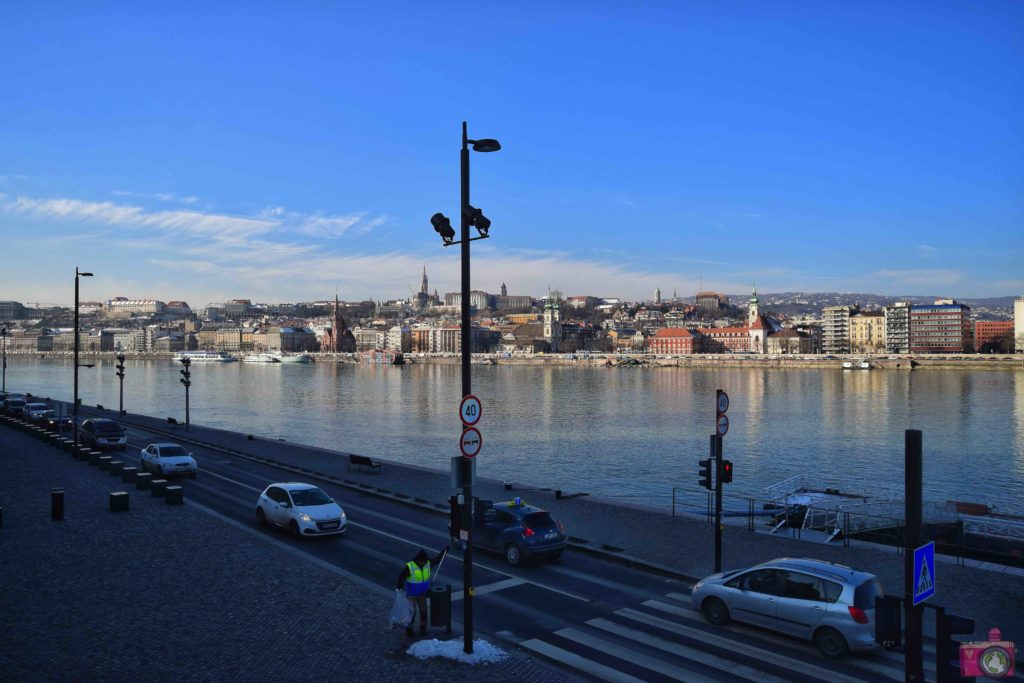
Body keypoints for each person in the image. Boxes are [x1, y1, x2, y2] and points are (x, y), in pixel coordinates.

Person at [396, 547, 445, 637]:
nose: (426, 563)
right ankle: (409, 629)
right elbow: (401, 577)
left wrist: (443, 552)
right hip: (412, 594)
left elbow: (436, 560)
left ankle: (423, 628)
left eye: (426, 561)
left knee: (423, 612)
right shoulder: (410, 566)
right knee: (412, 612)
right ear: (419, 561)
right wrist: (399, 587)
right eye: (424, 561)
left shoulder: (427, 563)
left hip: (422, 593)